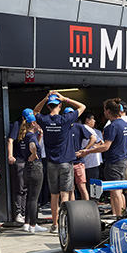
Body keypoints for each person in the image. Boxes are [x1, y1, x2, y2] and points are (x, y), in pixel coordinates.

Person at [34, 91, 85, 232]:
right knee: (65, 194)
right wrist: (66, 98)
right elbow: (82, 107)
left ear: (49, 106)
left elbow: (35, 111)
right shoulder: (65, 119)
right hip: (66, 162)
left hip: (51, 163)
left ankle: (55, 224)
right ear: (60, 105)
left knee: (54, 195)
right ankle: (64, 223)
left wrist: (44, 98)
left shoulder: (44, 120)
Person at [80, 99, 127, 218]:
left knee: (115, 191)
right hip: (123, 160)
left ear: (109, 111)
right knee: (119, 190)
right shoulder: (126, 125)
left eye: (104, 110)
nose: (103, 113)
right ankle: (118, 214)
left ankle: (118, 217)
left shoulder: (112, 126)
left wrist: (87, 151)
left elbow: (106, 146)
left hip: (114, 162)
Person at [8, 109, 47, 233]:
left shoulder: (23, 135)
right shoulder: (30, 136)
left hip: (26, 168)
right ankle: (33, 225)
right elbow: (32, 146)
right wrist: (34, 154)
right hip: (35, 167)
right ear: (34, 124)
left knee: (29, 195)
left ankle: (26, 223)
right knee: (34, 198)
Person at [77, 111, 102, 194]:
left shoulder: (87, 129)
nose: (94, 121)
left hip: (91, 161)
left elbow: (99, 142)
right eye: (92, 119)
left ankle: (94, 200)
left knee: (90, 183)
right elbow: (97, 140)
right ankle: (94, 201)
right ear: (87, 120)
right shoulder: (86, 127)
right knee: (92, 183)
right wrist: (86, 149)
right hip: (90, 161)